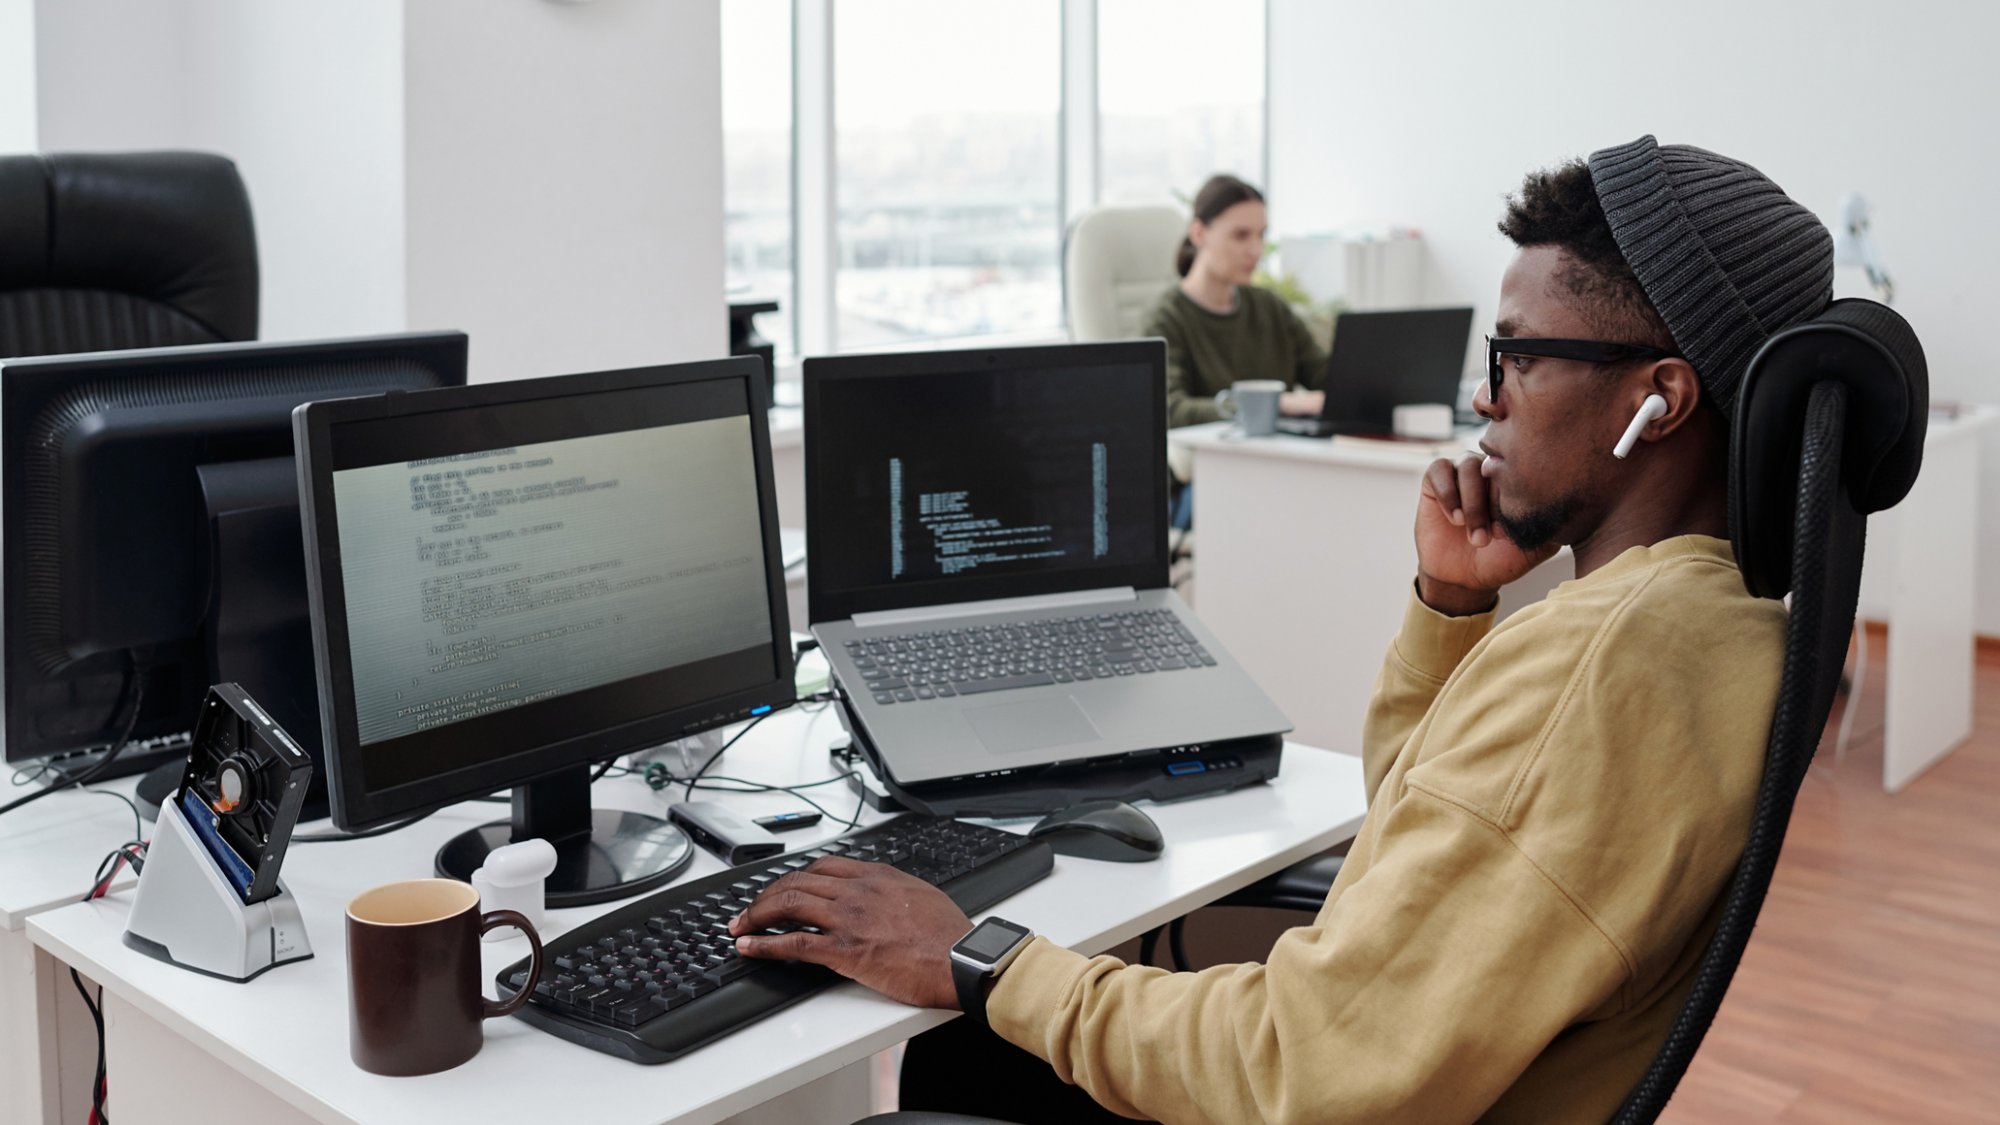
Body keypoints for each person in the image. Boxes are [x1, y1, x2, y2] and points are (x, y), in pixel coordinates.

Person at [729, 136, 1833, 1123]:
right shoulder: (1707, 621)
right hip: (1441, 1072)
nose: (1485, 398)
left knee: (945, 1064)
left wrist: (971, 953)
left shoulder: (1602, 661)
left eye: (1519, 357)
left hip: (1327, 1094)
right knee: (976, 1065)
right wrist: (1451, 608)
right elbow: (1426, 829)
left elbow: (1296, 1068)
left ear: (1661, 399)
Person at [1144, 174, 1329, 429]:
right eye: (1241, 235)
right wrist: (1275, 404)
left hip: (1282, 455)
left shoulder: (1270, 307)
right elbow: (1171, 409)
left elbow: (1327, 378)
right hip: (1217, 460)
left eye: (1261, 235)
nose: (1256, 249)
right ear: (1198, 233)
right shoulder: (1167, 318)